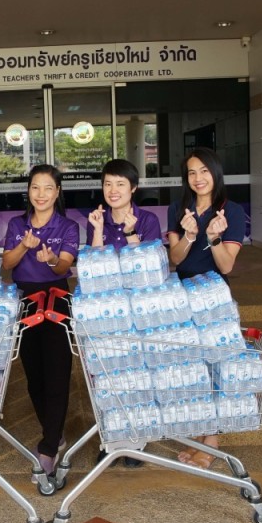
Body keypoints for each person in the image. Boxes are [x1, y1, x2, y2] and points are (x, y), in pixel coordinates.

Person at [167, 147, 245, 469]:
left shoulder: (231, 212)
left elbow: (226, 266)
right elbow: (175, 259)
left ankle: (211, 441)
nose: (198, 178)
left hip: (214, 296)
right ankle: (201, 431)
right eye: (191, 172)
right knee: (193, 364)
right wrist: (188, 235)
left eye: (204, 171)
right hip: (183, 295)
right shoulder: (178, 208)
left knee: (214, 363)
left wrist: (213, 238)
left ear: (215, 173)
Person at [2, 164, 79, 476]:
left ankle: (48, 447)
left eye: (48, 188)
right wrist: (24, 245)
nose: (41, 194)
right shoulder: (16, 224)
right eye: (35, 187)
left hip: (56, 298)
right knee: (34, 374)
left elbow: (64, 267)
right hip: (25, 300)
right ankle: (54, 433)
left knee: (57, 371)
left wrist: (51, 259)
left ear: (57, 192)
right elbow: (7, 264)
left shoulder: (68, 226)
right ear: (29, 191)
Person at [87, 158, 162, 468]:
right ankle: (111, 439)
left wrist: (132, 233)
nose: (113, 190)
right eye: (108, 184)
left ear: (134, 188)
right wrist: (98, 231)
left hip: (139, 309)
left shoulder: (147, 220)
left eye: (120, 184)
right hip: (105, 310)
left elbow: (150, 268)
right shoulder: (97, 218)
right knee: (107, 374)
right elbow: (93, 267)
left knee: (136, 373)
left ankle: (137, 441)